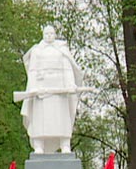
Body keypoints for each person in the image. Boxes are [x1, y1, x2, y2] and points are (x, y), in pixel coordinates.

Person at [16, 25, 87, 154]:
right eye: (46, 33)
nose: (49, 36)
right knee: (39, 120)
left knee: (62, 119)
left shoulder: (62, 50)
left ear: (55, 35)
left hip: (60, 90)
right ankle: (39, 145)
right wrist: (33, 88)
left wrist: (70, 84)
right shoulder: (37, 51)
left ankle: (65, 144)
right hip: (42, 91)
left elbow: (67, 69)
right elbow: (32, 71)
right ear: (43, 35)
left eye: (51, 33)